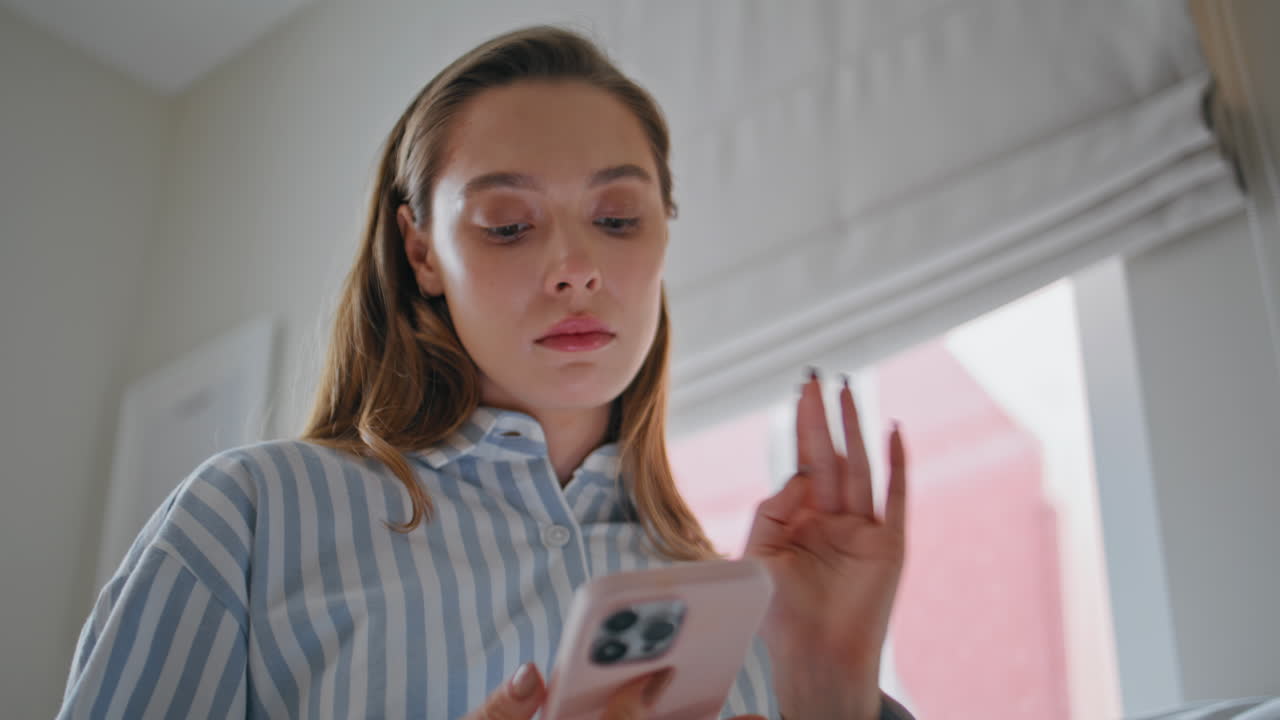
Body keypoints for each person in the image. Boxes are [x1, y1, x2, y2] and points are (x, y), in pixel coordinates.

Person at [57, 25, 914, 720]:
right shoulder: (246, 521)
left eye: (617, 218)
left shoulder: (743, 619)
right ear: (421, 250)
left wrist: (833, 696)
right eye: (507, 225)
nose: (576, 267)